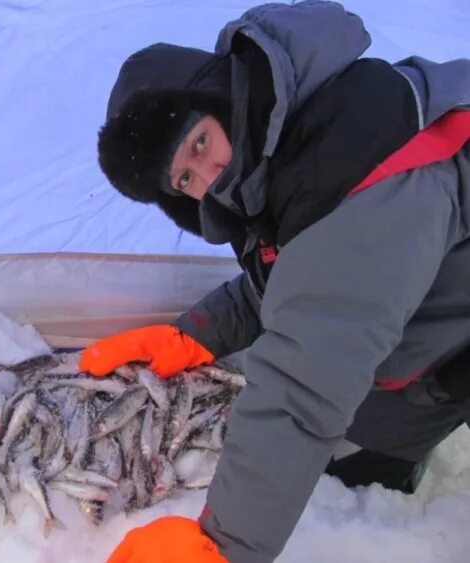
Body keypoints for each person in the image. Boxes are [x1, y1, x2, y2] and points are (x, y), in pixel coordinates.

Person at [78, 1, 470, 562]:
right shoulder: (298, 150)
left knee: (337, 416)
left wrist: (224, 545)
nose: (207, 177)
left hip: (451, 340)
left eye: (200, 143)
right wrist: (197, 334)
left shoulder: (357, 157)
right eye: (185, 178)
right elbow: (298, 278)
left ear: (223, 99)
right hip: (434, 329)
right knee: (362, 439)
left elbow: (303, 380)